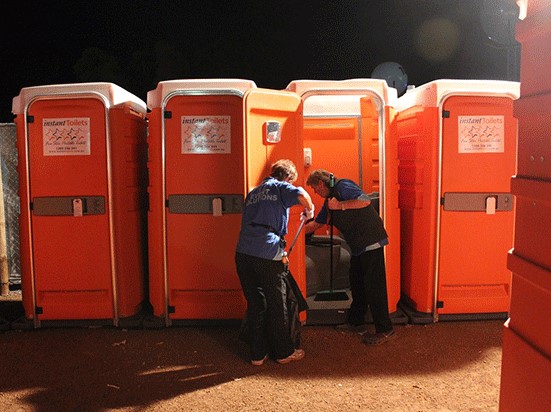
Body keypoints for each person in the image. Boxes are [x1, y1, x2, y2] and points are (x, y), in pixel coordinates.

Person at [235, 159, 314, 365]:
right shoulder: (281, 187)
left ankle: (257, 354)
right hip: (267, 252)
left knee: (256, 303)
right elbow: (302, 195)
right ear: (287, 177)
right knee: (277, 304)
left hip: (243, 253)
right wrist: (310, 210)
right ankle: (283, 352)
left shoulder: (253, 192)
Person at [305, 169, 395, 345]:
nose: (316, 193)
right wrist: (294, 231)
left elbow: (365, 201)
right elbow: (318, 223)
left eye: (315, 189)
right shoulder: (329, 201)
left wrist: (341, 206)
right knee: (357, 283)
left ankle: (385, 329)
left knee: (374, 286)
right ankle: (356, 322)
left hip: (370, 241)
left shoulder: (343, 185)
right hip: (358, 246)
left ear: (321, 184)